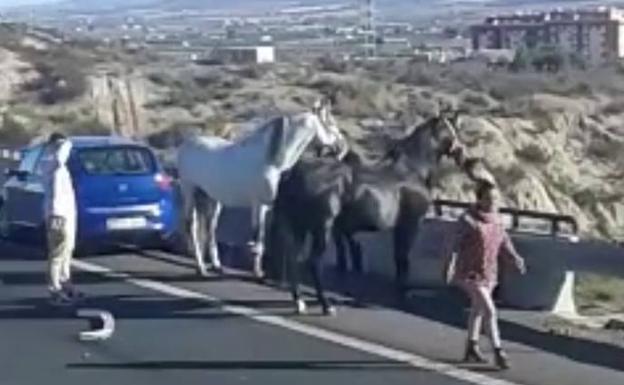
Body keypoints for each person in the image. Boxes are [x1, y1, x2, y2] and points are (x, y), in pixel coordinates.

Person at [442, 179, 526, 369]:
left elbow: (504, 241)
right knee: (489, 310)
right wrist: (449, 265)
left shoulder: (497, 219)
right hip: (469, 272)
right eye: (488, 198)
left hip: (489, 271)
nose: (493, 202)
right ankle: (498, 351)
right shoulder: (467, 220)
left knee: (478, 310)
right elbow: (453, 245)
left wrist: (515, 258)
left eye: (495, 198)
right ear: (479, 199)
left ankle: (471, 347)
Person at [44, 133, 81, 306]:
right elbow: (59, 157)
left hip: (66, 213)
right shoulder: (52, 162)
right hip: (57, 214)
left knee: (67, 250)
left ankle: (66, 284)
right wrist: (66, 143)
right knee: (57, 253)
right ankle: (54, 289)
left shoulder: (61, 167)